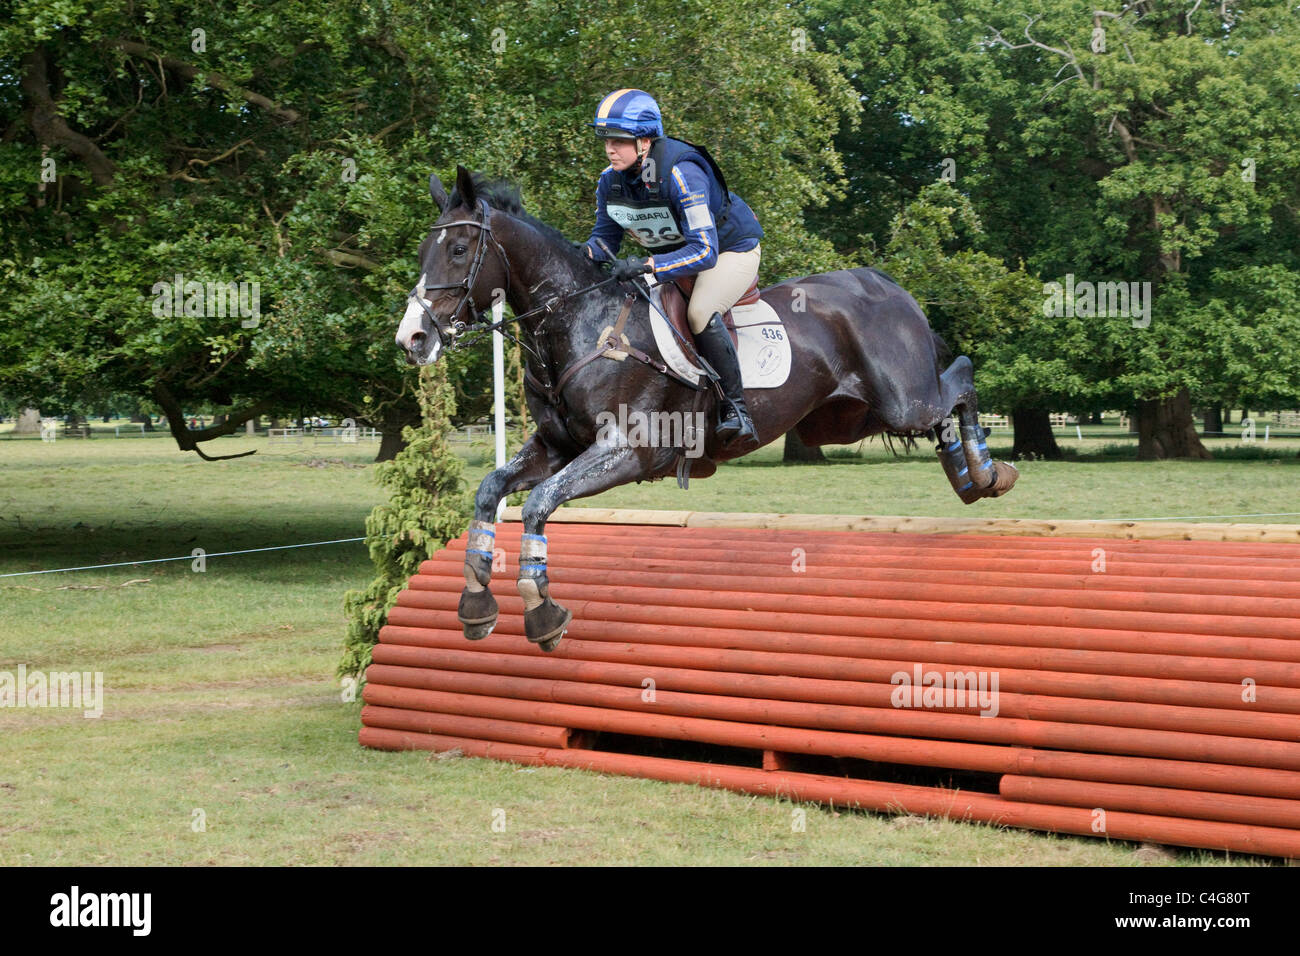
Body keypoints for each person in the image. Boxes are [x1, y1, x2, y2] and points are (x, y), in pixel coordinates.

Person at [582, 89, 763, 450]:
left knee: (699, 313)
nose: (610, 149)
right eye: (606, 140)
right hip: (677, 259)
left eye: (619, 141)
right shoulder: (609, 181)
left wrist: (649, 264)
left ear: (645, 141)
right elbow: (604, 240)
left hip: (729, 251)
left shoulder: (681, 173)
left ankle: (737, 410)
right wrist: (574, 257)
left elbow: (705, 251)